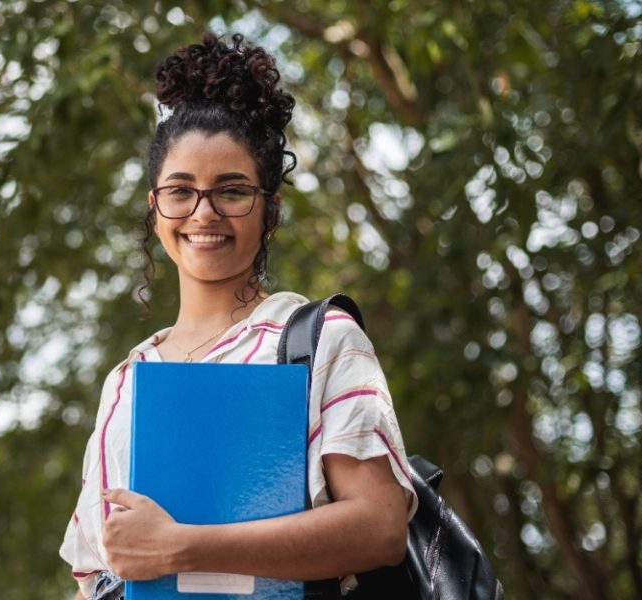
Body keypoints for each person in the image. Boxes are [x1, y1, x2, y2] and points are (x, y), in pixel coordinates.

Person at [59, 33, 418, 600]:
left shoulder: (319, 341)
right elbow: (96, 576)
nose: (204, 213)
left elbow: (380, 527)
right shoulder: (129, 381)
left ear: (269, 208)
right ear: (155, 208)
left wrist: (185, 547)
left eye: (232, 190)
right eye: (180, 191)